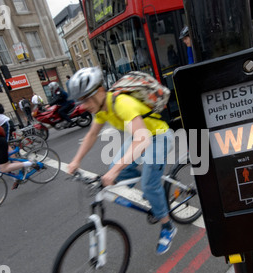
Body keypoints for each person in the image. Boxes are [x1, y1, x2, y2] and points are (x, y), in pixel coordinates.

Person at [66, 67, 177, 255]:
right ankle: (152, 187)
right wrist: (75, 161)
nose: (83, 106)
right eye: (80, 101)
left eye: (86, 99)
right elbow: (92, 134)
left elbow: (143, 139)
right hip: (141, 137)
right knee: (119, 170)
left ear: (100, 92)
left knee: (144, 184)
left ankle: (168, 227)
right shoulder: (101, 109)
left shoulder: (122, 103)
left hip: (159, 137)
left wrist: (113, 172)